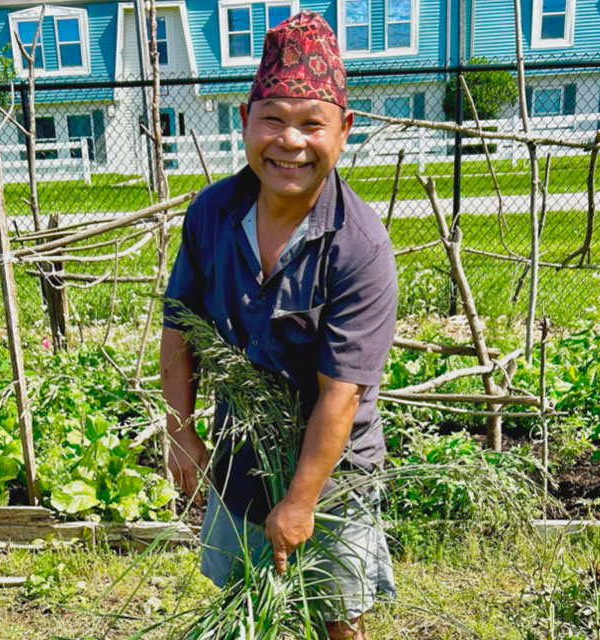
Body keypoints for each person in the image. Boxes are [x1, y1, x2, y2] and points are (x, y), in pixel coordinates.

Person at [159, 11, 397, 639]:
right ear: (245, 121)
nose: (290, 141)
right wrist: (181, 432)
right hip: (241, 449)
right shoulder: (213, 213)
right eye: (273, 119)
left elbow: (341, 394)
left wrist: (301, 500)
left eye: (311, 124)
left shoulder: (359, 246)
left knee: (336, 613)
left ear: (343, 131)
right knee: (244, 604)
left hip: (333, 464)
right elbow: (180, 326)